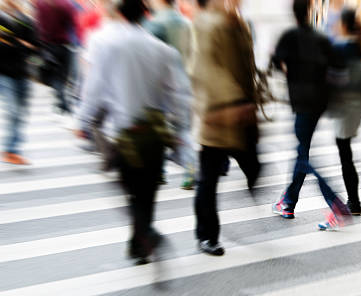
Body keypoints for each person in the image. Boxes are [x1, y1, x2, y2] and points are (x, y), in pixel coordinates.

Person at [77, 0, 191, 264]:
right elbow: (178, 93)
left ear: (118, 13)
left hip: (124, 133)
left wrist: (82, 122)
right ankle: (139, 243)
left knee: (129, 189)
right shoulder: (162, 50)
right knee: (148, 190)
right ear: (145, 15)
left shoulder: (108, 45)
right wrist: (180, 128)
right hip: (154, 132)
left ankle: (145, 234)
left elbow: (94, 89)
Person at [271, 0, 351, 230]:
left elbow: (276, 62)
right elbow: (340, 68)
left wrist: (292, 71)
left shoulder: (289, 36)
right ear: (310, 12)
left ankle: (335, 203)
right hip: (319, 102)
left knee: (303, 156)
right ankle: (288, 203)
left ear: (293, 13)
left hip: (301, 102)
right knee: (302, 151)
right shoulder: (321, 38)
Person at [190, 0, 261, 256]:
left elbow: (248, 66)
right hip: (218, 114)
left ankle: (253, 184)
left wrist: (252, 100)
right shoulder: (205, 23)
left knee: (253, 164)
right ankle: (207, 236)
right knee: (207, 180)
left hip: (242, 113)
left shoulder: (238, 22)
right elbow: (204, 68)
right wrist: (230, 102)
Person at [145, 0, 197, 190]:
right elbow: (193, 53)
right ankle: (189, 164)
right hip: (185, 81)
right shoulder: (186, 22)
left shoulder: (154, 24)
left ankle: (160, 171)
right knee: (182, 129)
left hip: (162, 85)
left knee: (158, 128)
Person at [328, 8, 361, 216]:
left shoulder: (341, 47)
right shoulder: (358, 45)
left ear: (343, 24)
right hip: (356, 105)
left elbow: (337, 77)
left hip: (344, 106)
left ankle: (354, 201)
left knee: (345, 155)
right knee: (346, 151)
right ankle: (354, 200)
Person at [0, 0, 37, 165]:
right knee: (14, 112)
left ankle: (12, 149)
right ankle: (12, 150)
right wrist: (21, 44)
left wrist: (14, 42)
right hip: (4, 74)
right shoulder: (1, 19)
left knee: (22, 113)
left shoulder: (25, 19)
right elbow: (3, 47)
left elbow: (36, 44)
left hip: (23, 73)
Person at [35, 0, 78, 114]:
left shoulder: (40, 4)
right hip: (63, 45)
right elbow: (74, 21)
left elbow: (37, 23)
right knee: (62, 76)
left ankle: (60, 101)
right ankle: (63, 103)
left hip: (47, 46)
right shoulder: (65, 3)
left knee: (54, 76)